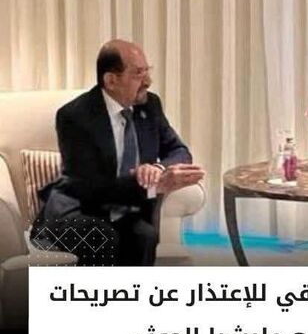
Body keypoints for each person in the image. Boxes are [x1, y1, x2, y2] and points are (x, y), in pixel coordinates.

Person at [31, 39, 205, 265]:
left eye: (147, 71)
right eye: (138, 73)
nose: (148, 81)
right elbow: (91, 187)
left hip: (124, 210)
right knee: (103, 237)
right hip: (76, 210)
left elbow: (179, 150)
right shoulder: (75, 116)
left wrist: (158, 168)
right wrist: (154, 186)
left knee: (145, 236)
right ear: (111, 80)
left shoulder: (150, 105)